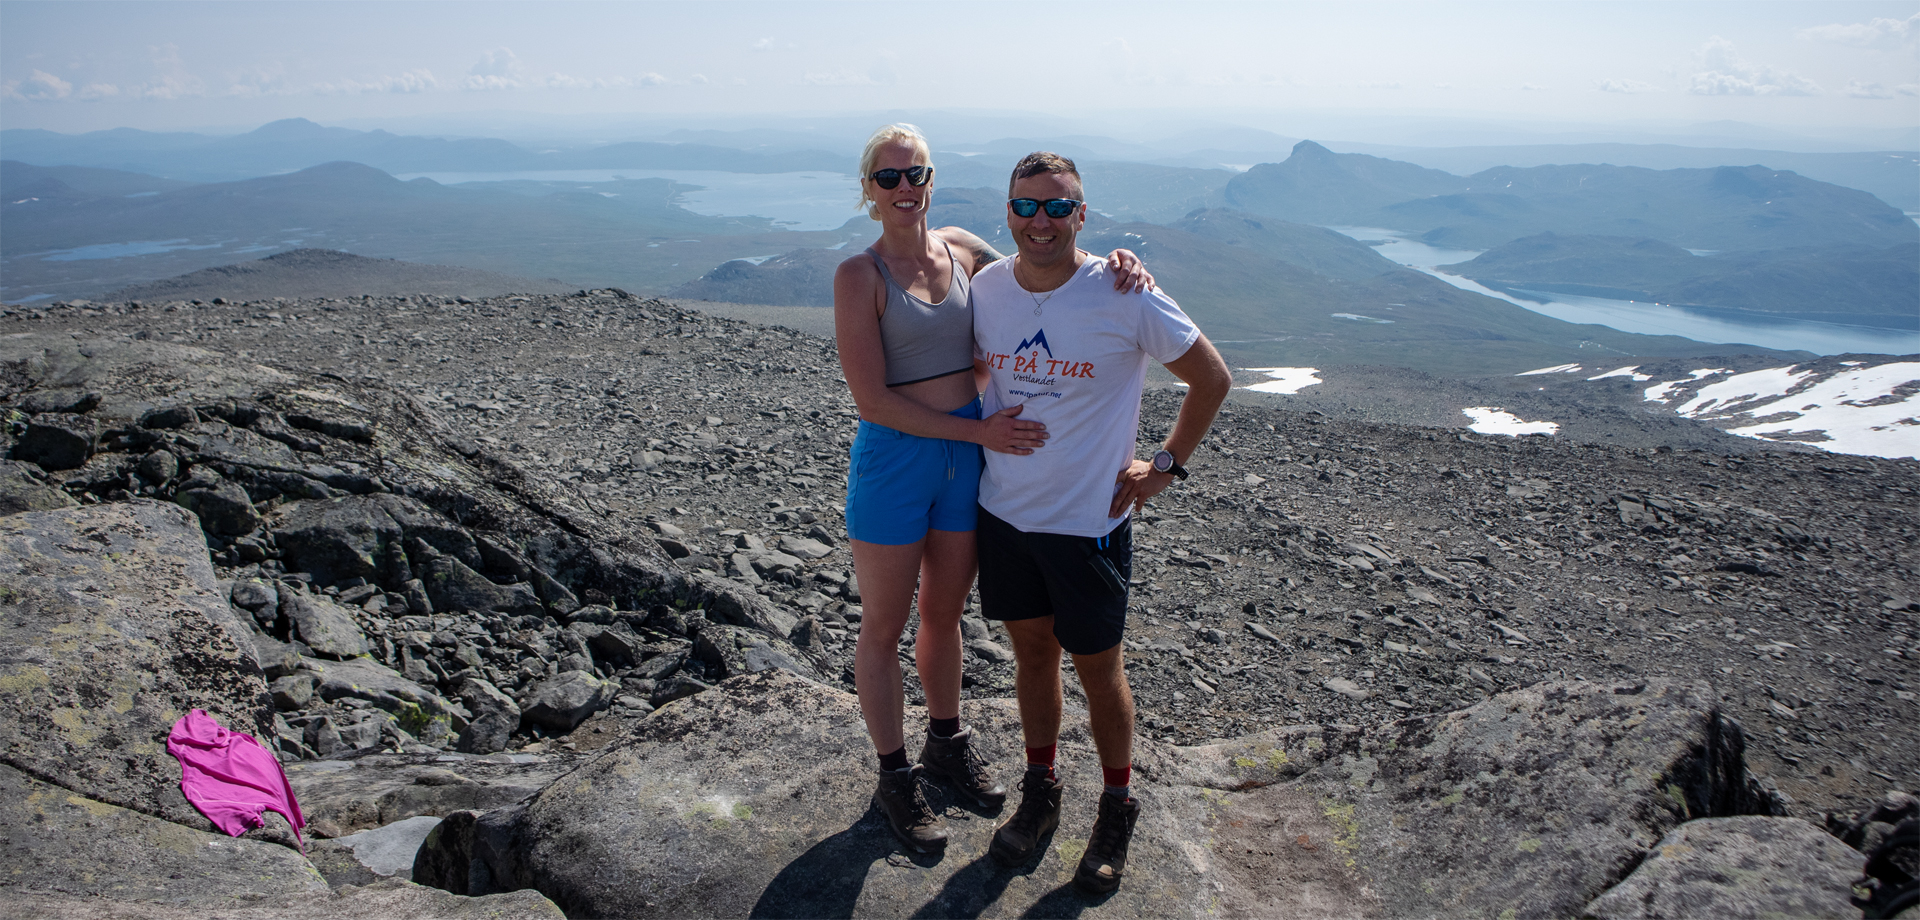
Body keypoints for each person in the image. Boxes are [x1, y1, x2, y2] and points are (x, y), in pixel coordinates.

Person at [832, 125, 1154, 854]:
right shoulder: (859, 274)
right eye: (889, 179)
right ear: (869, 191)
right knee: (884, 626)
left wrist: (1121, 266)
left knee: (943, 616)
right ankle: (895, 776)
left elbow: (1039, 259)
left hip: (964, 463)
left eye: (916, 174)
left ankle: (945, 742)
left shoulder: (960, 248)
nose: (905, 188)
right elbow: (872, 399)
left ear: (932, 180)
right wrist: (979, 434)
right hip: (901, 459)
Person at [970, 151, 1231, 894]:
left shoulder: (1125, 294)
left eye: (1058, 206)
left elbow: (1212, 377)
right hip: (1004, 515)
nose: (1040, 221)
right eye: (1025, 207)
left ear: (1082, 214)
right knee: (1031, 656)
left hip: (1088, 523)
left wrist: (1166, 467)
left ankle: (1117, 803)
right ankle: (1042, 790)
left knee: (1097, 669)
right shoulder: (988, 288)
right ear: (1008, 212)